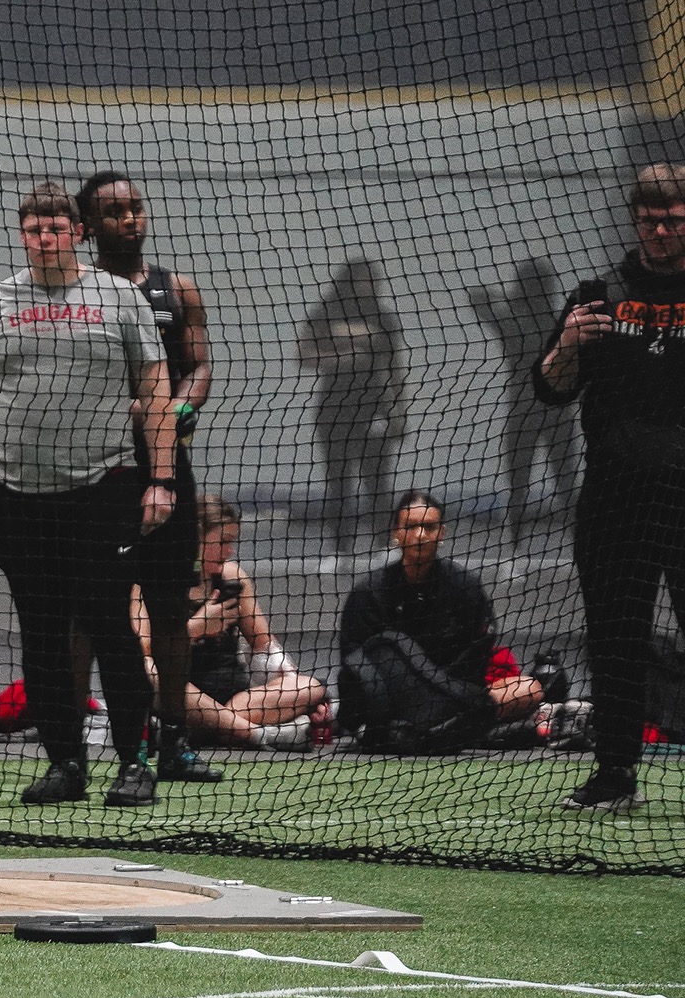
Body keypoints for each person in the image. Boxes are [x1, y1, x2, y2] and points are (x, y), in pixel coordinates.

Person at [0, 182, 177, 808]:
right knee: (41, 632)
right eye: (32, 231)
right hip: (17, 497)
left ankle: (134, 763)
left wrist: (161, 480)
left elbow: (156, 391)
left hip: (105, 487)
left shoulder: (121, 298)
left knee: (111, 627)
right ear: (22, 235)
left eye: (55, 229)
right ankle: (65, 764)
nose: (44, 240)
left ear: (77, 233)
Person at [532, 163, 685, 812]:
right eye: (650, 218)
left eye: (674, 218)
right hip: (614, 497)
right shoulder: (596, 295)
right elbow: (550, 389)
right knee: (614, 637)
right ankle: (616, 775)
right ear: (634, 219)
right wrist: (566, 343)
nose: (661, 229)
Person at [76, 169, 221, 784]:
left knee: (168, 609)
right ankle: (90, 746)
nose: (129, 219)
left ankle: (175, 745)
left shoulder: (175, 288)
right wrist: (138, 409)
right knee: (96, 612)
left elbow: (200, 364)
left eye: (136, 208)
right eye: (114, 212)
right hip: (96, 473)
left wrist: (182, 406)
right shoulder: (74, 292)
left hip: (168, 470)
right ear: (87, 228)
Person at [338, 491, 542, 754]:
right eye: (411, 527)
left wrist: (446, 694)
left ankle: (435, 732)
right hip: (395, 705)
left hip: (455, 699)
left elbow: (477, 656)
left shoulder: (465, 586)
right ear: (396, 533)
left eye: (429, 527)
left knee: (529, 689)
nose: (420, 535)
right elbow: (357, 664)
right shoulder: (368, 594)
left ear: (442, 533)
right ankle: (455, 732)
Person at [179, 495, 327, 750]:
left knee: (311, 687)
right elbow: (144, 652)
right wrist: (195, 629)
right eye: (222, 542)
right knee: (152, 674)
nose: (229, 551)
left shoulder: (232, 577)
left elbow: (264, 648)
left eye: (232, 542)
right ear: (196, 537)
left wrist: (289, 679)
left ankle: (219, 729)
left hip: (238, 701)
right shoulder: (163, 581)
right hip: (185, 696)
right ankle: (257, 733)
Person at [297, 259, 407, 553]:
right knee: (338, 483)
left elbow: (395, 366)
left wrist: (399, 412)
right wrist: (344, 356)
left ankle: (385, 546)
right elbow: (304, 354)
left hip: (374, 407)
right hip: (334, 408)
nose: (372, 286)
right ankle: (340, 549)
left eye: (375, 280)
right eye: (365, 280)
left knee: (378, 482)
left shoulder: (383, 317)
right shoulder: (327, 311)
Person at [470, 258, 579, 545]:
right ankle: (579, 544)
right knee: (563, 482)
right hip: (554, 409)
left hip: (527, 411)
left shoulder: (515, 320)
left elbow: (478, 298)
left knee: (520, 484)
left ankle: (514, 547)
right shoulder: (559, 321)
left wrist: (508, 297)